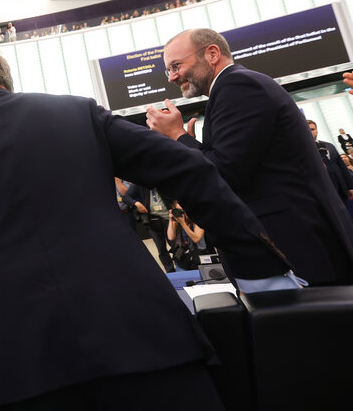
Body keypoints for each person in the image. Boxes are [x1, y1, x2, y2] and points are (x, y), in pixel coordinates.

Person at [0, 46, 290, 410]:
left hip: (29, 366)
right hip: (144, 339)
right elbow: (190, 169)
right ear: (5, 81)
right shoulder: (78, 112)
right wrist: (257, 264)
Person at [147, 28, 353, 287]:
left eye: (176, 65)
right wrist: (188, 144)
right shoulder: (232, 89)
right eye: (169, 70)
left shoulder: (237, 86)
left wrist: (178, 137)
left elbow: (225, 173)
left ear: (212, 53)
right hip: (297, 243)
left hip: (298, 247)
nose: (172, 77)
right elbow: (238, 163)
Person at [308, 119, 353, 205]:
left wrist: (350, 187)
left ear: (317, 130)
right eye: (307, 129)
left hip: (342, 188)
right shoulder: (302, 149)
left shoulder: (329, 145)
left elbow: (342, 167)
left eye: (312, 129)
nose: (310, 131)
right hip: (324, 192)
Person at [166, 201, 209, 270]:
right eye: (179, 210)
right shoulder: (177, 222)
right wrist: (171, 220)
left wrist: (183, 223)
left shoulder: (198, 220)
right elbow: (171, 237)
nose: (182, 212)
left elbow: (196, 239)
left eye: (183, 209)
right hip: (182, 257)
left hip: (198, 258)